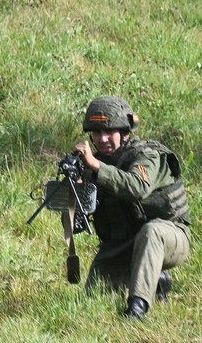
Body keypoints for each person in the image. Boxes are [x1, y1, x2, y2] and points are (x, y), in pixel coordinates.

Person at [73, 96, 191, 319]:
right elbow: (80, 218)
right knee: (93, 297)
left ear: (124, 132)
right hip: (125, 243)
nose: (103, 138)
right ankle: (157, 280)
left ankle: (137, 309)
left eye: (110, 132)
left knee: (152, 232)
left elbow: (136, 187)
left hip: (171, 237)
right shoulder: (95, 164)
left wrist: (96, 167)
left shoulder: (148, 156)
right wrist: (76, 190)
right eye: (97, 133)